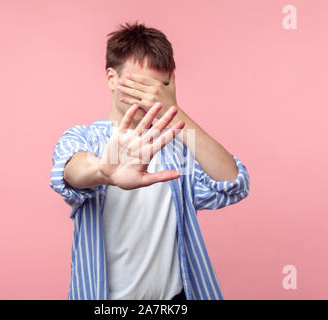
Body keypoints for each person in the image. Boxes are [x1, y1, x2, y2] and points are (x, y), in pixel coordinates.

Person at [50, 21, 250, 300]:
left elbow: (232, 183)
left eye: (157, 88)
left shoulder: (176, 148)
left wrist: (176, 112)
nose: (147, 96)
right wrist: (104, 172)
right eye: (137, 84)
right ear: (111, 78)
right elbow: (71, 171)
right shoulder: (86, 138)